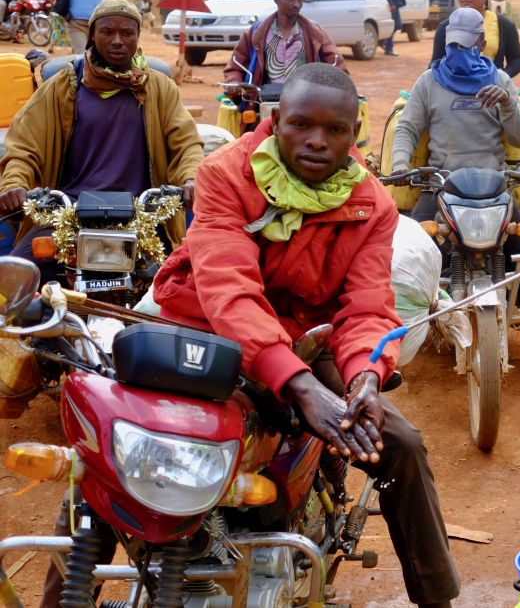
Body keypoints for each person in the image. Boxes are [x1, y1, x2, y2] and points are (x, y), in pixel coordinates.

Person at [150, 63, 461, 607]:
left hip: (305, 338)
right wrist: (299, 385)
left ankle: (437, 598)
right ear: (275, 121)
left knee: (401, 444)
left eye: (336, 130)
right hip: (209, 330)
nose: (318, 141)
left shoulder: (371, 203)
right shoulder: (225, 175)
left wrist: (365, 374)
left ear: (355, 132)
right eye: (301, 125)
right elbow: (229, 292)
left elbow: (367, 306)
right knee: (114, 437)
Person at [394, 8, 520, 382]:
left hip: (494, 187)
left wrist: (507, 101)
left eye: (467, 42)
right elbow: (407, 127)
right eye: (454, 42)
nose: (459, 49)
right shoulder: (429, 82)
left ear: (482, 43)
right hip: (440, 185)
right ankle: (400, 340)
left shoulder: (500, 79)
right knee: (406, 254)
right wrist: (400, 163)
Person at [0, 0, 203, 282]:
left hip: (143, 216)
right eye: (107, 32)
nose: (117, 40)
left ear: (137, 37)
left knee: (185, 287)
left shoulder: (160, 88)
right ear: (92, 36)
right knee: (14, 283)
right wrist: (15, 185)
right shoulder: (62, 87)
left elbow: (186, 144)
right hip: (67, 216)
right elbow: (24, 147)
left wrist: (191, 179)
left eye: (127, 33)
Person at [223, 0, 347, 90]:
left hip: (305, 100)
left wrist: (340, 86)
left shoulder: (314, 32)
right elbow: (236, 64)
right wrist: (234, 82)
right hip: (264, 100)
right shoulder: (257, 32)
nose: (296, 4)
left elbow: (335, 62)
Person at [429, 0, 520, 77]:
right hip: (454, 87)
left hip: (491, 90)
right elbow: (435, 62)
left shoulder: (504, 25)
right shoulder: (446, 26)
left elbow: (517, 59)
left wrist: (502, 77)